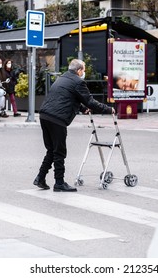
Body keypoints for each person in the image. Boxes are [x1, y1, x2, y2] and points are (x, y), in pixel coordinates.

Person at [34, 59, 115, 192]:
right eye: (84, 69)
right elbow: (90, 101)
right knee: (59, 152)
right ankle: (59, 183)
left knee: (51, 150)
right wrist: (108, 109)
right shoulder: (78, 82)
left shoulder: (62, 78)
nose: (84, 72)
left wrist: (82, 109)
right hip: (57, 119)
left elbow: (68, 97)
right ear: (79, 70)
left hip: (45, 116)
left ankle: (40, 178)